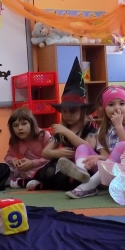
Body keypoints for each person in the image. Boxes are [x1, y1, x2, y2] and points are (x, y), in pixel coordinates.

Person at [64, 85, 125, 198]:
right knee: (82, 147)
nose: (117, 108)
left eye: (122, 103)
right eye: (111, 104)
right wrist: (98, 158)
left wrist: (118, 126)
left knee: (123, 145)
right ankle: (82, 173)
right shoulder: (103, 129)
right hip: (104, 171)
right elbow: (105, 156)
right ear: (104, 108)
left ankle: (89, 185)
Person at [40, 58, 98, 191]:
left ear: (83, 111)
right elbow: (45, 152)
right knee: (48, 172)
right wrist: (57, 153)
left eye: (72, 111)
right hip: (63, 164)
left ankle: (74, 179)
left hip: (85, 165)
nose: (67, 115)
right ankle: (44, 182)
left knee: (66, 178)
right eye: (64, 111)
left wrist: (67, 132)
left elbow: (89, 146)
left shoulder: (89, 128)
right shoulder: (61, 130)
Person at [4, 107, 51, 189]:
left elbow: (51, 157)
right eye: (16, 125)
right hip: (26, 169)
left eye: (24, 124)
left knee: (51, 170)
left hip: (42, 167)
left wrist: (32, 163)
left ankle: (24, 182)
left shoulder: (43, 135)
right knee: (4, 167)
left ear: (32, 124)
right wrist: (15, 160)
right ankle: (25, 182)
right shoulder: (16, 140)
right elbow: (8, 157)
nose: (20, 128)